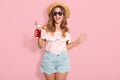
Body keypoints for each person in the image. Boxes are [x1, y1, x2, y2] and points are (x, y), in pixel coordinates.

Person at [35, 2, 87, 80]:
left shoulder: (66, 30)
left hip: (62, 59)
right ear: (52, 15)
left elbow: (66, 46)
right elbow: (40, 46)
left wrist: (78, 41)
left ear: (63, 15)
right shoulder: (46, 28)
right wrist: (39, 36)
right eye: (55, 13)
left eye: (60, 13)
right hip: (49, 59)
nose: (57, 15)